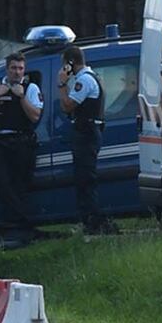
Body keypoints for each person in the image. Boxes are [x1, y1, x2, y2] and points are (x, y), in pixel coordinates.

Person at [0, 52, 43, 239]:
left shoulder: (30, 88)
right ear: (7, 69)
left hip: (22, 144)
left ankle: (19, 229)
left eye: (21, 68)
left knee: (20, 187)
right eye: (14, 68)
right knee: (3, 186)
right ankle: (20, 227)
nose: (17, 72)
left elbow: (35, 116)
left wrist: (22, 98)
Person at [58, 45, 118, 235]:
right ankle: (89, 219)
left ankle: (92, 221)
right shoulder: (91, 77)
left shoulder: (83, 81)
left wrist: (61, 84)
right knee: (83, 177)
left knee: (85, 179)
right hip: (89, 131)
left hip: (86, 133)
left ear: (70, 63)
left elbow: (68, 106)